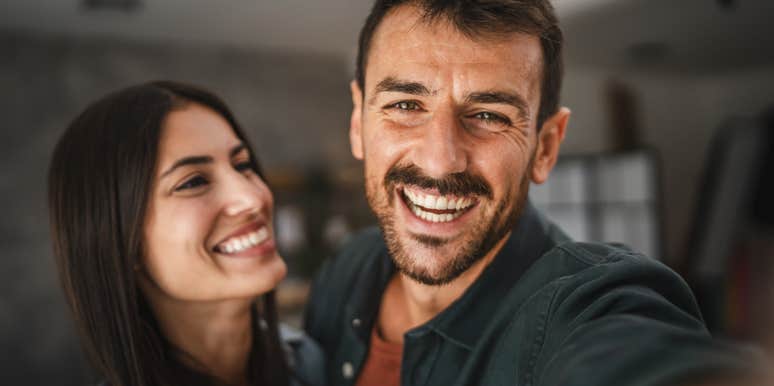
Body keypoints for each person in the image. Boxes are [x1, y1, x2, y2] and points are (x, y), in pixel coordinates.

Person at [303, 1, 758, 386]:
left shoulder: (590, 300)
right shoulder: (347, 268)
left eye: (489, 115)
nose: (440, 160)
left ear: (545, 147)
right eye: (405, 105)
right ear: (357, 122)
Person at [48, 81, 324, 386]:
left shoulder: (312, 362)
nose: (253, 198)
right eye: (193, 182)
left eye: (242, 165)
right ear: (120, 241)